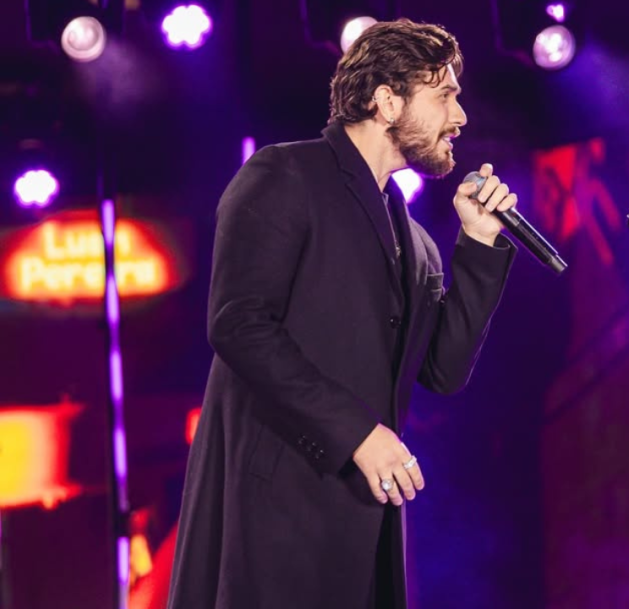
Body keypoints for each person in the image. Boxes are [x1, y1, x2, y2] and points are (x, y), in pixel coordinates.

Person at [167, 19, 517, 609]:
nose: (461, 118)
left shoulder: (417, 241)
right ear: (386, 101)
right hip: (276, 517)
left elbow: (444, 371)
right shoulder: (284, 176)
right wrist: (358, 432)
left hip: (364, 525)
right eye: (445, 96)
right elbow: (239, 323)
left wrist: (479, 246)